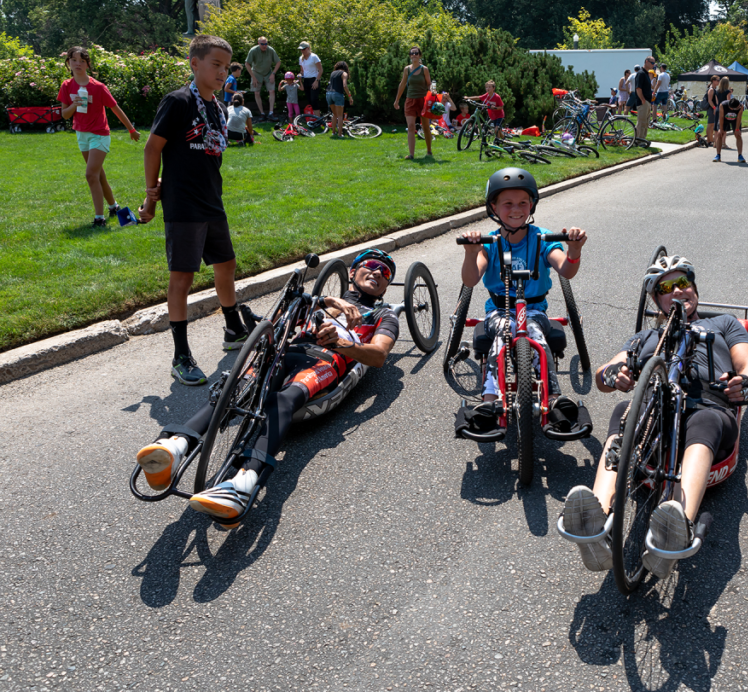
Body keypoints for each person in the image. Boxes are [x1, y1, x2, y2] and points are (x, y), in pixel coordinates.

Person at [135, 249, 400, 527]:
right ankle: (176, 446)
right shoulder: (317, 302)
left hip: (324, 362)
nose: (378, 273)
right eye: (371, 265)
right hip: (284, 352)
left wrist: (342, 343)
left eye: (386, 273)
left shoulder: (384, 314)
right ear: (352, 272)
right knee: (233, 389)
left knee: (281, 400)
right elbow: (282, 322)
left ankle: (244, 483)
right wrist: (314, 305)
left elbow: (379, 355)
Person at [560, 255, 748, 577]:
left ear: (694, 289)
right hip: (653, 417)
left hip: (708, 409)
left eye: (684, 283)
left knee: (704, 421)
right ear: (656, 301)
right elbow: (604, 373)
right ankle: (594, 520)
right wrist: (614, 375)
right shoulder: (645, 338)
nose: (678, 291)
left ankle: (678, 523)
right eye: (667, 287)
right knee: (623, 409)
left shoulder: (723, 323)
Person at [139, 35, 248, 386]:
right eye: (215, 64)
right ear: (194, 63)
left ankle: (232, 328)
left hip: (211, 199)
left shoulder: (217, 105)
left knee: (226, 264)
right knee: (182, 277)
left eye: (226, 66)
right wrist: (151, 195)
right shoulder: (178, 101)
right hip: (183, 202)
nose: (221, 72)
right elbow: (152, 148)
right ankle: (181, 354)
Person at [457, 168, 587, 433]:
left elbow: (566, 270)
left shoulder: (542, 239)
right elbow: (471, 280)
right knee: (504, 333)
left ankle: (552, 397)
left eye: (523, 203)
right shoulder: (490, 243)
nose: (516, 209)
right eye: (507, 204)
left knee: (535, 332)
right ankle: (490, 400)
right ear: (493, 207)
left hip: (534, 310)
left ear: (532, 205)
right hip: (499, 310)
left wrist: (573, 250)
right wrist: (471, 253)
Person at [57, 46, 141, 228]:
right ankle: (114, 207)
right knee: (98, 175)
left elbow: (115, 108)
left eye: (82, 60)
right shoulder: (66, 85)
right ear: (68, 63)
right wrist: (74, 104)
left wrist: (131, 130)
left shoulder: (98, 87)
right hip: (81, 135)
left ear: (87, 64)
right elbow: (64, 115)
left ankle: (99, 218)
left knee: (90, 174)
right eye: (74, 60)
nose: (77, 64)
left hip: (99, 134)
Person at [393, 46, 432, 159]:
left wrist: (432, 93)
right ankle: (411, 154)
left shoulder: (424, 69)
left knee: (425, 126)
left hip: (423, 100)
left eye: (416, 53)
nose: (414, 55)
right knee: (410, 126)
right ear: (410, 56)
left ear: (420, 55)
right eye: (412, 53)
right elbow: (402, 84)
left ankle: (429, 151)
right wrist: (397, 100)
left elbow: (429, 84)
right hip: (410, 100)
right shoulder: (407, 69)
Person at [245, 36, 281, 121]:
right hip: (256, 73)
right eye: (262, 44)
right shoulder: (253, 50)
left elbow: (278, 62)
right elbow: (247, 64)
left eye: (266, 44)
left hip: (269, 73)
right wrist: (253, 77)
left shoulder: (271, 50)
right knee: (256, 93)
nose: (264, 46)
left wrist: (273, 73)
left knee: (272, 91)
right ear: (258, 43)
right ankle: (262, 113)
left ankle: (271, 113)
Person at [714, 95, 745, 163]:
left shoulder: (741, 106)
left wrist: (737, 129)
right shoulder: (723, 105)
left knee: (738, 135)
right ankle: (718, 155)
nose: (739, 107)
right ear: (731, 108)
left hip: (735, 120)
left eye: (739, 106)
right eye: (737, 108)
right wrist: (721, 129)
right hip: (724, 120)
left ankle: (740, 155)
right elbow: (721, 117)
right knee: (719, 134)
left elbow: (739, 118)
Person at [326, 61, 353, 136]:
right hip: (337, 94)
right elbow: (344, 86)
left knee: (335, 114)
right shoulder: (344, 73)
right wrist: (350, 96)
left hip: (328, 94)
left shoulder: (333, 73)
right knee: (340, 115)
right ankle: (340, 134)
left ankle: (333, 132)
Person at [297, 41, 322, 116]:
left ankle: (318, 120)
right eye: (301, 49)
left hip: (314, 79)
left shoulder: (314, 57)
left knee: (314, 100)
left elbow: (320, 70)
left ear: (308, 48)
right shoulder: (301, 58)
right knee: (310, 101)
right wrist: (300, 75)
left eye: (303, 49)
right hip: (306, 81)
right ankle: (312, 118)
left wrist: (317, 81)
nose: (302, 51)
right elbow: (302, 71)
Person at [635, 56, 655, 141]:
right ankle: (639, 140)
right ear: (646, 62)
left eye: (654, 63)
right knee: (642, 122)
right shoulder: (641, 73)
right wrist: (643, 99)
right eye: (652, 63)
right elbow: (638, 88)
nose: (653, 65)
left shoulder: (646, 73)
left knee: (645, 122)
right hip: (643, 102)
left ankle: (641, 139)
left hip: (647, 101)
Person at [705, 75, 721, 147]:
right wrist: (714, 108)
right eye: (717, 80)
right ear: (713, 81)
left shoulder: (714, 89)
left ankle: (711, 139)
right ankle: (709, 140)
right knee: (710, 125)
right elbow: (709, 100)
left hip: (714, 108)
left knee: (712, 125)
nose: (718, 82)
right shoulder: (711, 89)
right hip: (711, 109)